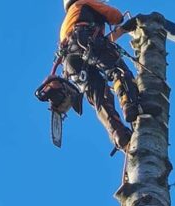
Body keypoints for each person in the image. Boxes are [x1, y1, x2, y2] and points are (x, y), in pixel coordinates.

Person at [38, 0, 140, 151]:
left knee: (100, 98)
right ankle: (129, 104)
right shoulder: (83, 3)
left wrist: (123, 30)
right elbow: (115, 17)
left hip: (71, 62)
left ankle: (120, 135)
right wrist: (122, 23)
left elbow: (98, 42)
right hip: (86, 43)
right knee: (118, 71)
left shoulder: (68, 22)